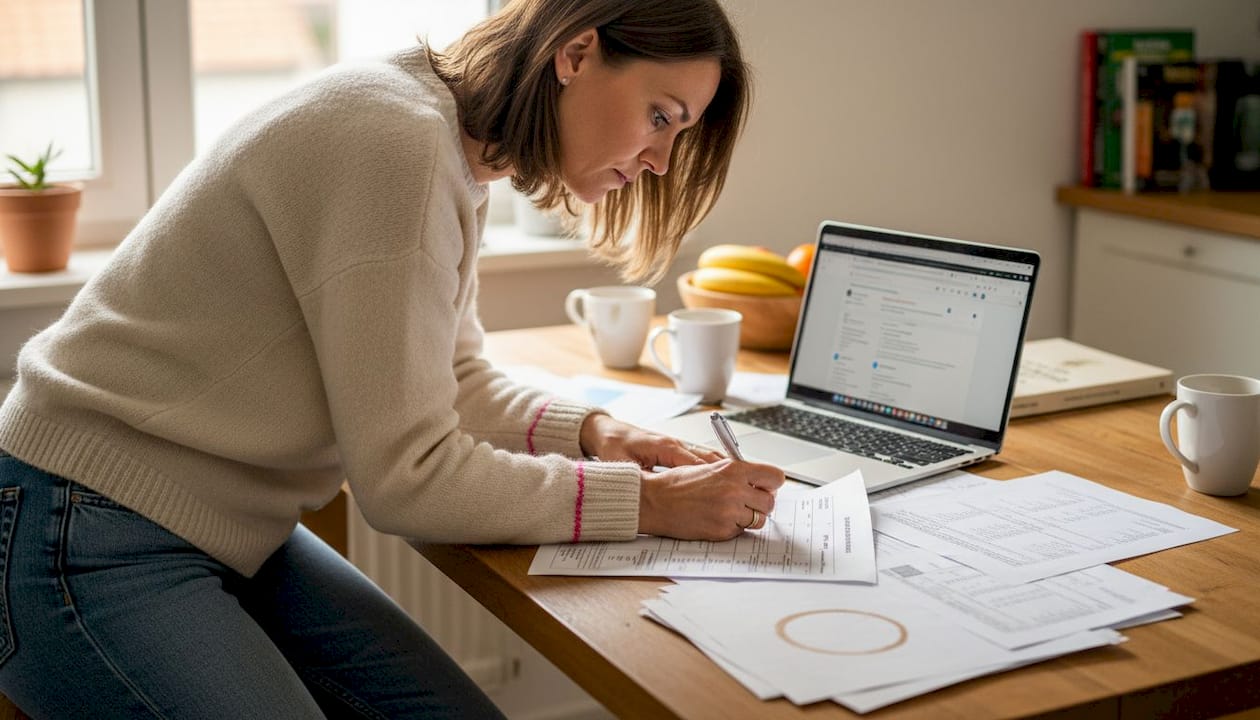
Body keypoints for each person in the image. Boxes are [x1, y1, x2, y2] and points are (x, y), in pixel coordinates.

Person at [0, 0, 783, 717]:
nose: (660, 160)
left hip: (219, 525)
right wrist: (650, 504)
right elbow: (409, 479)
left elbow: (451, 376)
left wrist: (596, 435)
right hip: (81, 531)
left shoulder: (446, 141)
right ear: (575, 54)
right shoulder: (397, 145)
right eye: (661, 116)